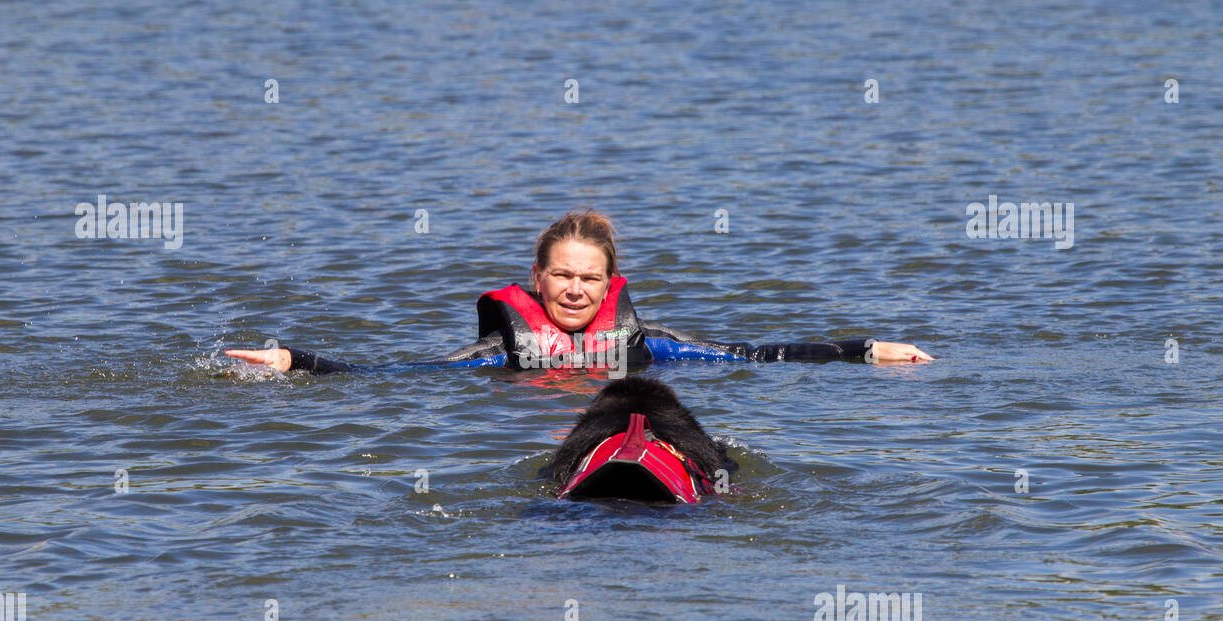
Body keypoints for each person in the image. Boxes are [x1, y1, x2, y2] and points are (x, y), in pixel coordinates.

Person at [225, 210, 933, 374]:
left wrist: (864, 348)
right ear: (535, 280)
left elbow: (756, 353)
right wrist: (296, 361)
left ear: (609, 281)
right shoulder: (501, 353)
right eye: (560, 275)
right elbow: (395, 376)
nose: (572, 289)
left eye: (588, 277)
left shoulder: (647, 344)